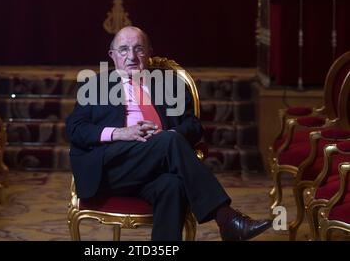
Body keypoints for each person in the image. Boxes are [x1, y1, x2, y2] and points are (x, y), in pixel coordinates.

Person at [66, 26, 272, 241]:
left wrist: (166, 136)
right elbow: (75, 129)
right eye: (124, 50)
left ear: (149, 52)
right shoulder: (96, 85)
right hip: (112, 168)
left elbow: (193, 126)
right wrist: (121, 132)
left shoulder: (169, 84)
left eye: (139, 49)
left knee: (171, 186)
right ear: (112, 55)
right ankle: (226, 217)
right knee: (169, 141)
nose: (132, 57)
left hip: (157, 166)